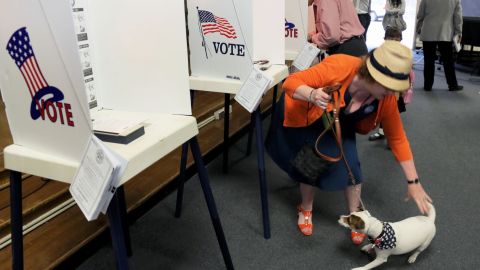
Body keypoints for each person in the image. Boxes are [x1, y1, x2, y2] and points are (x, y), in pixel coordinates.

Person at [265, 41, 432, 240]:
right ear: (372, 76)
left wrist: (413, 182)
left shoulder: (385, 97)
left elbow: (397, 137)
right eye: (390, 87)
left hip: (339, 121)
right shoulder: (340, 66)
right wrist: (312, 94)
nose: (393, 93)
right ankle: (305, 207)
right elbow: (290, 82)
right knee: (312, 161)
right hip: (311, 112)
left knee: (352, 166)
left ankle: (356, 215)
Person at [369, 28, 414, 141]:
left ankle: (392, 137)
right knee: (383, 114)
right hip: (383, 90)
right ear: (385, 40)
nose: (393, 43)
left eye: (396, 41)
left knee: (394, 116)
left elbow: (409, 73)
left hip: (396, 92)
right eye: (390, 40)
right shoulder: (379, 53)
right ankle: (381, 133)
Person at [416, 0, 463, 91]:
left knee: (428, 60)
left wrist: (418, 28)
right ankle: (452, 85)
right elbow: (458, 18)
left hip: (428, 30)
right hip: (445, 32)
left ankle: (428, 85)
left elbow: (420, 15)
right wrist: (459, 32)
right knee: (448, 61)